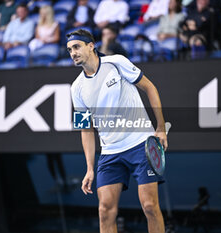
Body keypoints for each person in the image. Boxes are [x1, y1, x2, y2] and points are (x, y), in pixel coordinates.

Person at [67, 29, 168, 233]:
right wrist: (89, 167)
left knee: (149, 206)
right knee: (105, 211)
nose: (73, 53)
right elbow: (86, 129)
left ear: (91, 46)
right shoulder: (76, 88)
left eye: (76, 47)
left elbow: (150, 87)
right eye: (69, 49)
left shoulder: (116, 62)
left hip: (141, 144)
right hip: (110, 152)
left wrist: (160, 127)